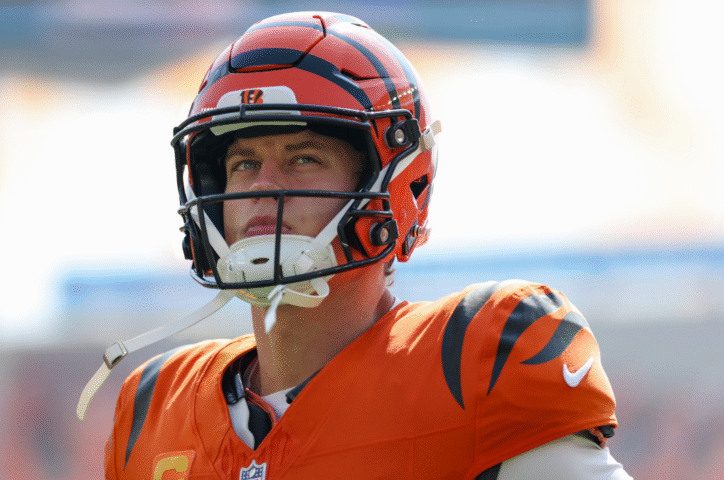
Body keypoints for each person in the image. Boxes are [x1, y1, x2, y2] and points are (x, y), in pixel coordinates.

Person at [78, 11, 633, 479]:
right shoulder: (153, 406)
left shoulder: (475, 357)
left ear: (394, 189)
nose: (261, 188)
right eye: (243, 163)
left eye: (304, 157)